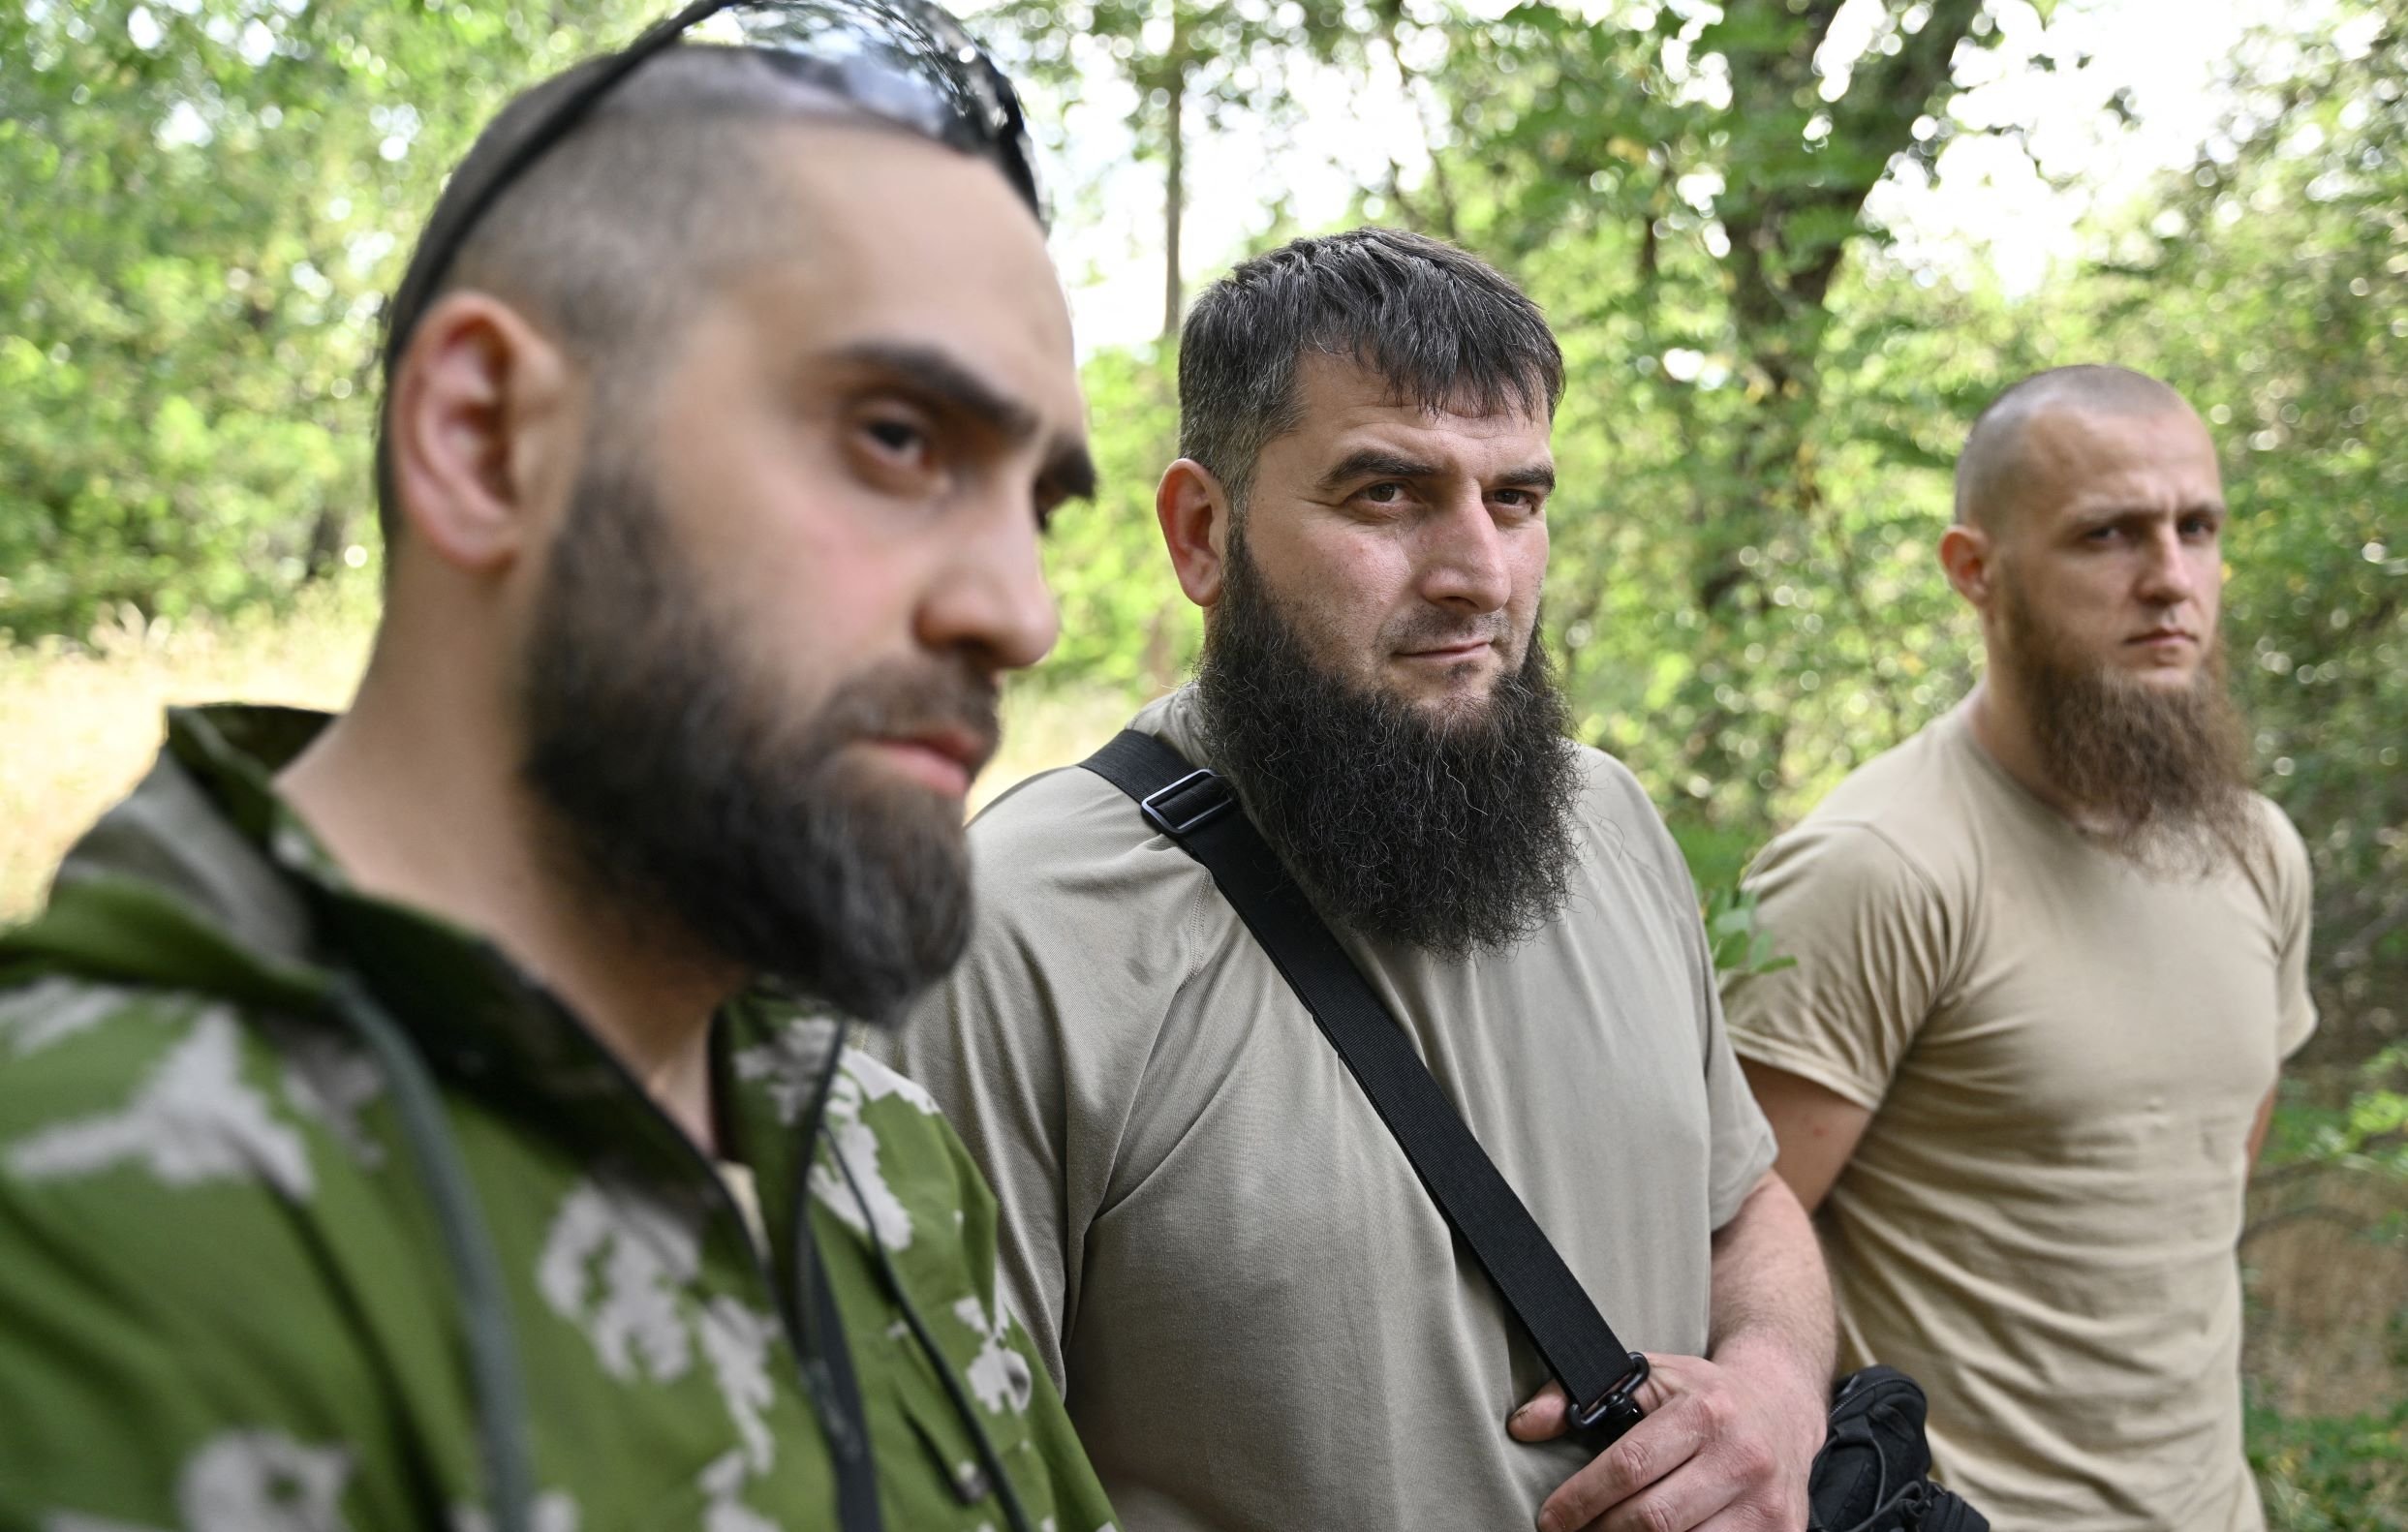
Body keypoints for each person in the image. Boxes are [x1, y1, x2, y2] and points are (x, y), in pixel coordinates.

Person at [0, 7, 1121, 1531]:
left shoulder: (874, 1151)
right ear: (484, 437)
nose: (1022, 611)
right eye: (896, 437)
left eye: (1037, 502)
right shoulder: (83, 1216)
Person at [893, 227, 1836, 1532]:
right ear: (1201, 532)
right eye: (1384, 494)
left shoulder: (1609, 822)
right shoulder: (1014, 931)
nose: (1477, 575)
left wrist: (1778, 1390)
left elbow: (1743, 1207)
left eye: (1516, 499)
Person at [1721, 365, 2317, 1531]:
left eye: (2196, 528)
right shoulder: (1875, 868)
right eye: (2107, 535)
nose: (2168, 580)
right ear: (1972, 570)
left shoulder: (2257, 849)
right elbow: (1723, 1248)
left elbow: (2200, 1182)